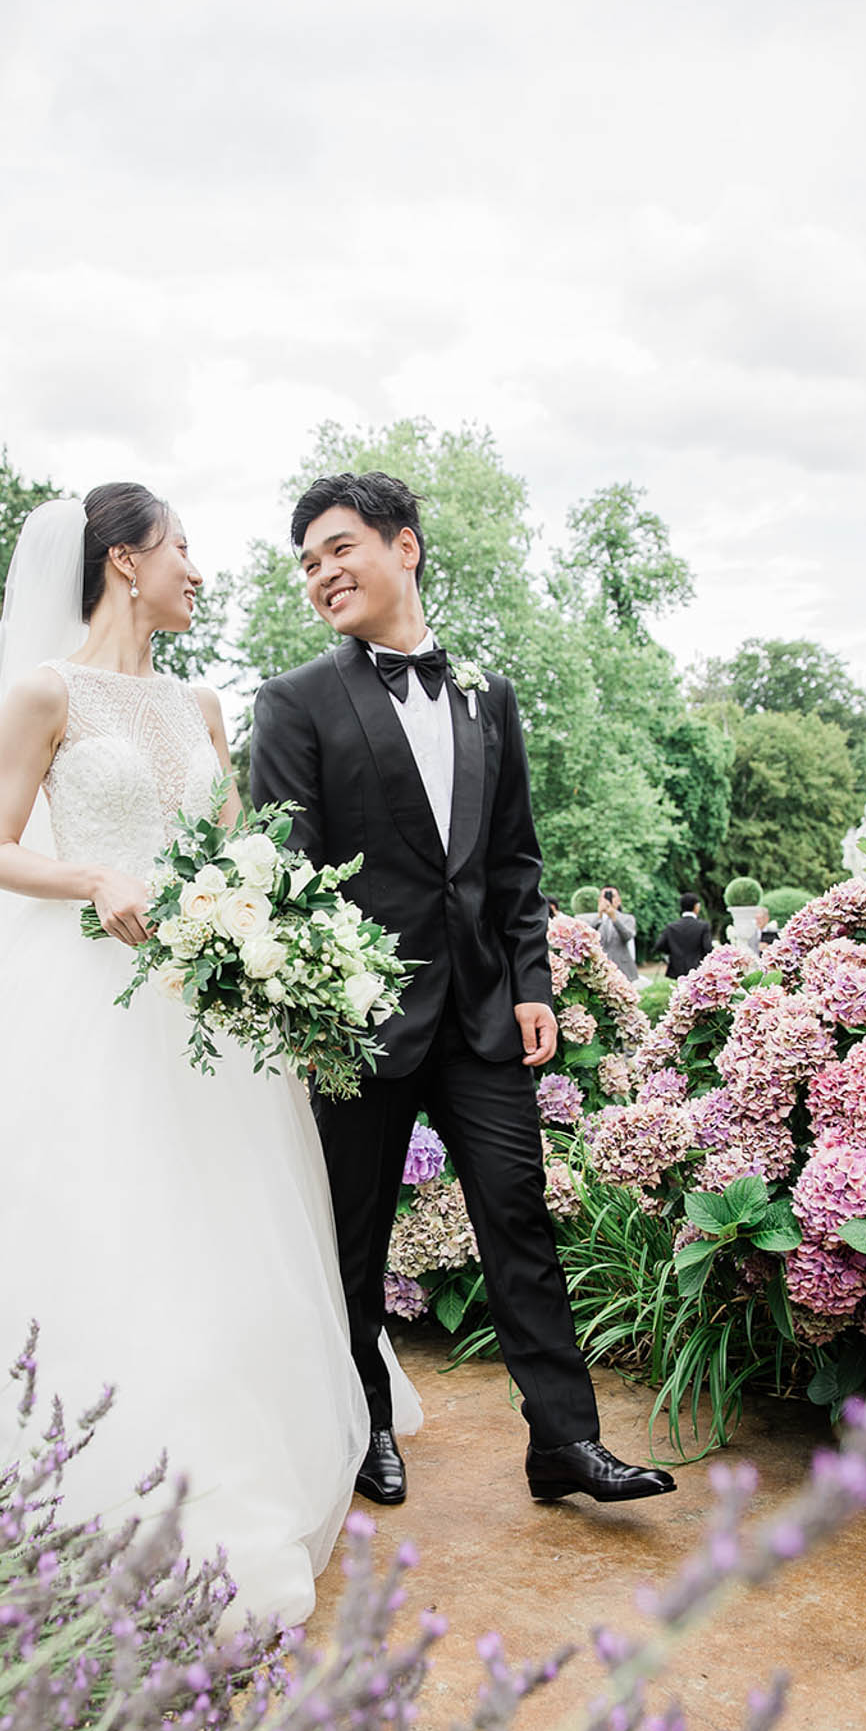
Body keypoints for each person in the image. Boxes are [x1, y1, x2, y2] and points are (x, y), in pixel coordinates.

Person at [0, 489, 419, 1634]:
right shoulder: (45, 690)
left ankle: (235, 1434)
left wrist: (273, 929)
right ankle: (99, 1454)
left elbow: (239, 847)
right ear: (123, 561)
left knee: (225, 1224)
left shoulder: (202, 702)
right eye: (182, 549)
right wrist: (95, 878)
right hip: (86, 1002)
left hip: (204, 1005)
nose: (198, 571)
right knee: (109, 1220)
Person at [250, 472, 673, 1511]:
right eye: (307, 562)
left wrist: (530, 979)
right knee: (354, 1236)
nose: (321, 574)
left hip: (482, 1013)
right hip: (358, 1022)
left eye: (339, 548)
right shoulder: (293, 701)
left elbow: (513, 861)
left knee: (519, 1214)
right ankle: (360, 1428)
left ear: (405, 547)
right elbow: (285, 873)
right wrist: (313, 1010)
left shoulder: (489, 693)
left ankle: (564, 1443)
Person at [654, 893, 714, 980]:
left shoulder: (671, 927)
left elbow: (659, 946)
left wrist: (673, 950)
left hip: (677, 969)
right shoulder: (703, 926)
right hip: (697, 969)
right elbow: (708, 948)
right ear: (696, 907)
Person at [593, 886, 639, 982]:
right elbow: (588, 937)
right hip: (600, 967)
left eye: (612, 896)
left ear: (619, 900)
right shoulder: (595, 919)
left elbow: (628, 936)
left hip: (623, 967)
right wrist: (599, 917)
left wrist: (614, 918)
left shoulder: (628, 918)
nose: (608, 899)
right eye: (604, 896)